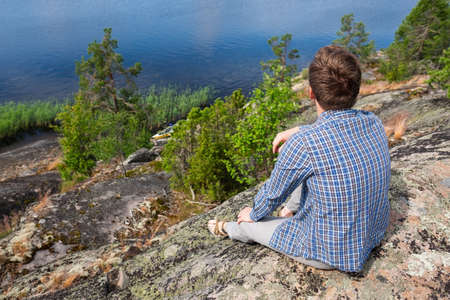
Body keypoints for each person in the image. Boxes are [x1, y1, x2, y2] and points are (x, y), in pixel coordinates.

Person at [208, 45, 391, 272]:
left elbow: (271, 196)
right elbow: (334, 133)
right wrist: (299, 130)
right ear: (356, 90)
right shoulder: (372, 121)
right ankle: (290, 211)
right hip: (373, 232)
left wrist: (252, 213)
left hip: (329, 252)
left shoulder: (305, 145)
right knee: (309, 169)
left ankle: (227, 228)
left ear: (311, 93)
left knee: (251, 223)